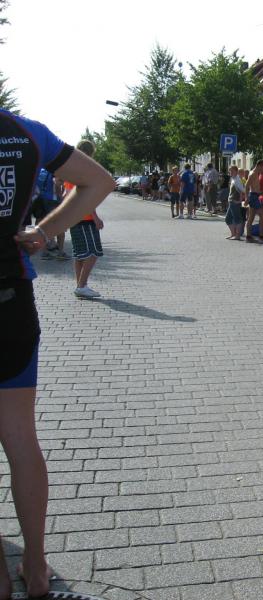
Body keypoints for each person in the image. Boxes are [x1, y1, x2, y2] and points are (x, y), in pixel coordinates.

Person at [2, 109, 114, 599]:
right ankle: (36, 566)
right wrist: (44, 232)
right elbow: (99, 182)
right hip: (10, 298)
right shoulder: (24, 132)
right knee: (21, 439)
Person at [67, 140, 106, 298]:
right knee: (93, 252)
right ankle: (82, 285)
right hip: (85, 218)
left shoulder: (70, 170)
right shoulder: (84, 171)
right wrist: (95, 217)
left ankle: (80, 285)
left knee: (79, 254)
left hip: (73, 217)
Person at [245, 160, 263, 243]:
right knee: (262, 215)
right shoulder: (253, 173)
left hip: (255, 195)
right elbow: (247, 186)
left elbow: (254, 186)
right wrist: (247, 198)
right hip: (254, 196)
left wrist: (260, 193)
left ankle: (249, 236)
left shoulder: (255, 173)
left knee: (251, 217)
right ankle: (261, 235)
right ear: (259, 166)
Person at [224, 165, 245, 240]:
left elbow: (243, 191)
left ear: (236, 171)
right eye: (230, 171)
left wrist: (239, 201)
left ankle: (237, 236)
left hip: (235, 202)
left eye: (232, 171)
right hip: (231, 201)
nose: (230, 172)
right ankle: (233, 234)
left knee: (237, 219)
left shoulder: (238, 179)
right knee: (228, 219)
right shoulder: (233, 179)